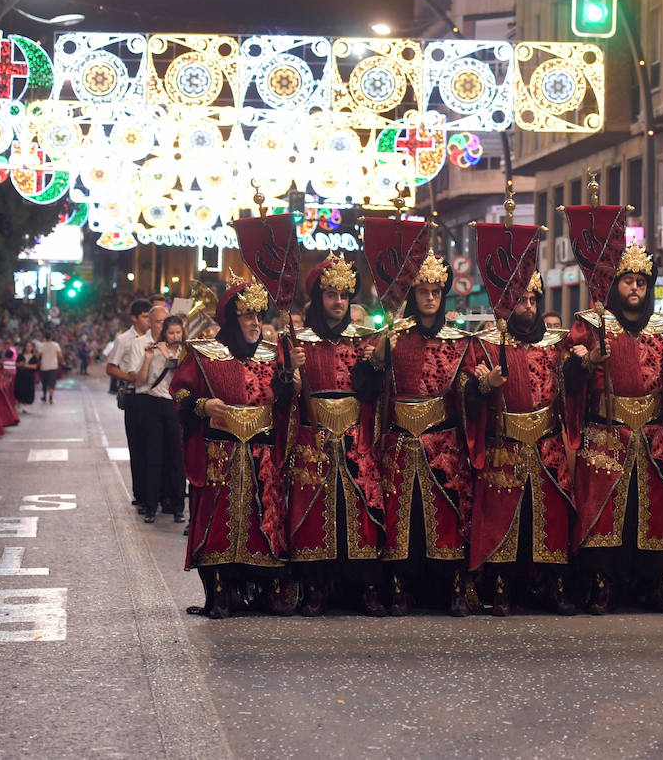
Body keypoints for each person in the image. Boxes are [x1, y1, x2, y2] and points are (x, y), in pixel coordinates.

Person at [564, 243, 663, 613]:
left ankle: (653, 584)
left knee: (651, 510)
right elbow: (567, 377)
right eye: (627, 282)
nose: (634, 289)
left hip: (653, 433)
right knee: (600, 509)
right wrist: (584, 364)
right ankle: (601, 584)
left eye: (641, 282)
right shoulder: (590, 325)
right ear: (614, 285)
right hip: (605, 432)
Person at [170, 271, 303, 618]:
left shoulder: (274, 354)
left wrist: (292, 380)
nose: (256, 323)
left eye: (259, 316)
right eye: (248, 316)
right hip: (219, 453)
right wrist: (201, 406)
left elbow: (285, 404)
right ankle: (220, 591)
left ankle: (264, 589)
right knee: (216, 523)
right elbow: (180, 391)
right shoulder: (204, 354)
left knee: (266, 521)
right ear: (232, 319)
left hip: (263, 454)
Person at [356, 252, 474, 616]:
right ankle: (399, 588)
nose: (430, 298)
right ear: (412, 294)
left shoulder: (458, 341)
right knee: (401, 515)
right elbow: (366, 386)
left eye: (436, 291)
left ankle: (452, 588)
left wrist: (482, 386)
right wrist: (379, 355)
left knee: (447, 512)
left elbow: (467, 387)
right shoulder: (393, 338)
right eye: (423, 291)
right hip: (400, 441)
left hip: (444, 442)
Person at [466, 271, 575, 615]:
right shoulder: (484, 344)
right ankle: (500, 588)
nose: (528, 307)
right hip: (504, 444)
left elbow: (574, 387)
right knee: (502, 518)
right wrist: (485, 386)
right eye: (520, 301)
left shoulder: (556, 345)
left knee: (552, 517)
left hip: (548, 444)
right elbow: (465, 394)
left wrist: (583, 363)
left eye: (533, 301)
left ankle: (554, 586)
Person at [289, 253, 386, 617]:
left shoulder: (363, 339)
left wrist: (376, 364)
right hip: (312, 437)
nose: (339, 302)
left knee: (358, 509)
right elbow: (282, 396)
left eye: (344, 296)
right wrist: (292, 375)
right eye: (331, 295)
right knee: (314, 513)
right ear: (319, 297)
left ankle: (364, 588)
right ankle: (315, 588)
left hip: (355, 434)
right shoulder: (300, 341)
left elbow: (373, 392)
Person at [135, 315, 186, 524]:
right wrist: (147, 359)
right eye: (171, 332)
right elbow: (140, 380)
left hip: (175, 406)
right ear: (164, 333)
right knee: (153, 457)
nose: (174, 336)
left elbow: (176, 367)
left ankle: (178, 507)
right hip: (155, 404)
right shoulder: (154, 351)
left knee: (176, 459)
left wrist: (167, 352)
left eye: (178, 332)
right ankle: (150, 506)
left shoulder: (185, 353)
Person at [108, 299, 154, 514]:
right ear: (134, 318)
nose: (148, 321)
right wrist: (129, 376)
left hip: (152, 395)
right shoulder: (124, 340)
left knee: (151, 447)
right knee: (137, 447)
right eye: (145, 316)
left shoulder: (155, 338)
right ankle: (140, 493)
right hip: (133, 396)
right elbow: (110, 367)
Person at [37, 330, 63, 404]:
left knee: (44, 382)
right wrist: (61, 361)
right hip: (53, 366)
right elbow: (60, 355)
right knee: (52, 383)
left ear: (45, 337)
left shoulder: (42, 345)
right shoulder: (55, 345)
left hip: (44, 366)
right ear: (51, 337)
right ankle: (51, 398)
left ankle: (44, 396)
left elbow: (38, 355)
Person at [14, 341, 38, 413]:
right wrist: (19, 364)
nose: (28, 348)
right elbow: (16, 364)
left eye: (30, 346)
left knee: (28, 390)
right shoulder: (20, 356)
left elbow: (35, 366)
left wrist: (25, 365)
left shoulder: (34, 357)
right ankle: (19, 402)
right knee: (20, 389)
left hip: (29, 377)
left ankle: (25, 406)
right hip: (20, 376)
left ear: (32, 348)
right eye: (27, 346)